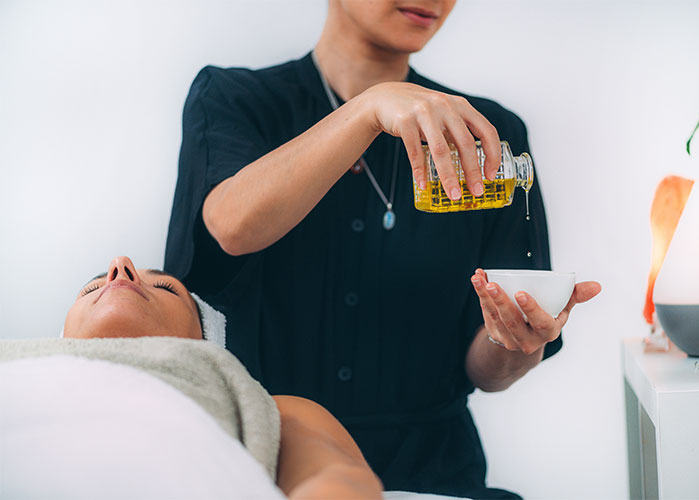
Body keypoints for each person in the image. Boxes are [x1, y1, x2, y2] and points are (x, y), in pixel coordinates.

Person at [165, 1, 601, 498]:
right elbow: (232, 225)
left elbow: (486, 367)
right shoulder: (234, 99)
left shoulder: (487, 135)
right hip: (262, 465)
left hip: (434, 474)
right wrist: (368, 109)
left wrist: (513, 340)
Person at [1, 256, 382, 500]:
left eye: (166, 287)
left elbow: (334, 480)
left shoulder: (268, 408)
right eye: (92, 288)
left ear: (207, 341)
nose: (120, 267)